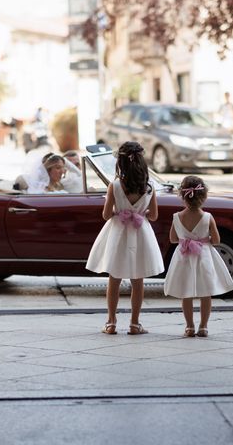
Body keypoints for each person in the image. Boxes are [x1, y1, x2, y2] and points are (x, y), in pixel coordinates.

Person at [86, 141, 164, 335]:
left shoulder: (115, 185)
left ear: (120, 162)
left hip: (118, 233)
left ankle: (111, 322)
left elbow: (105, 215)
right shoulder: (149, 186)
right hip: (140, 234)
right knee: (138, 281)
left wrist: (118, 210)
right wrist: (140, 212)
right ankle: (134, 323)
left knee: (114, 279)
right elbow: (153, 216)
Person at [163, 175, 233, 337]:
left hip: (183, 258)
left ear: (182, 196)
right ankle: (203, 327)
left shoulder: (177, 217)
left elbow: (173, 239)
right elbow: (216, 240)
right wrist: (204, 240)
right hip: (204, 257)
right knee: (205, 293)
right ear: (204, 197)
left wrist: (186, 239)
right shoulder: (208, 217)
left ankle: (189, 327)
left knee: (186, 293)